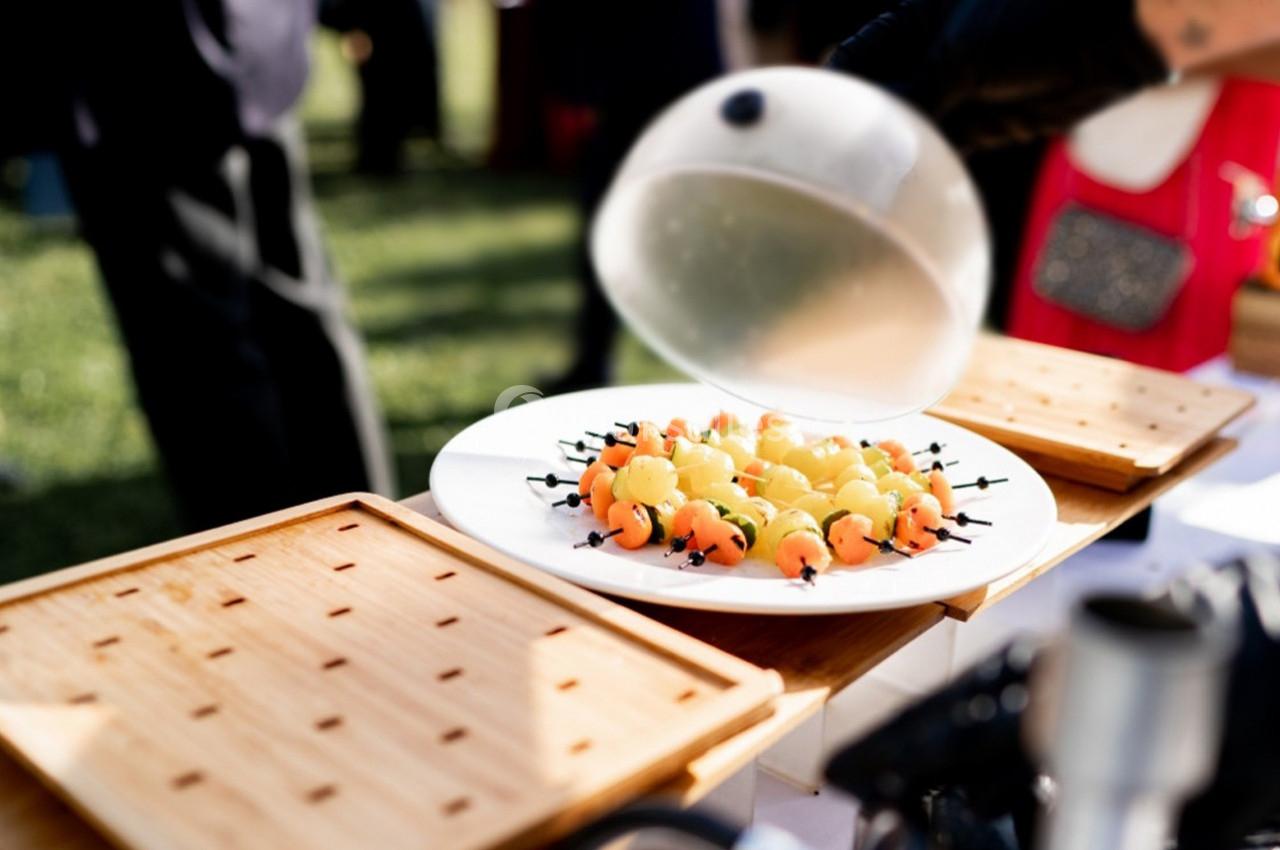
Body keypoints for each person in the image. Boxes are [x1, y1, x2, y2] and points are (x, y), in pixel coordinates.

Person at [6, 2, 394, 532]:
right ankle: (359, 537)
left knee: (200, 348)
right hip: (248, 35)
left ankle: (269, 567)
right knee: (295, 311)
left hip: (139, 59)